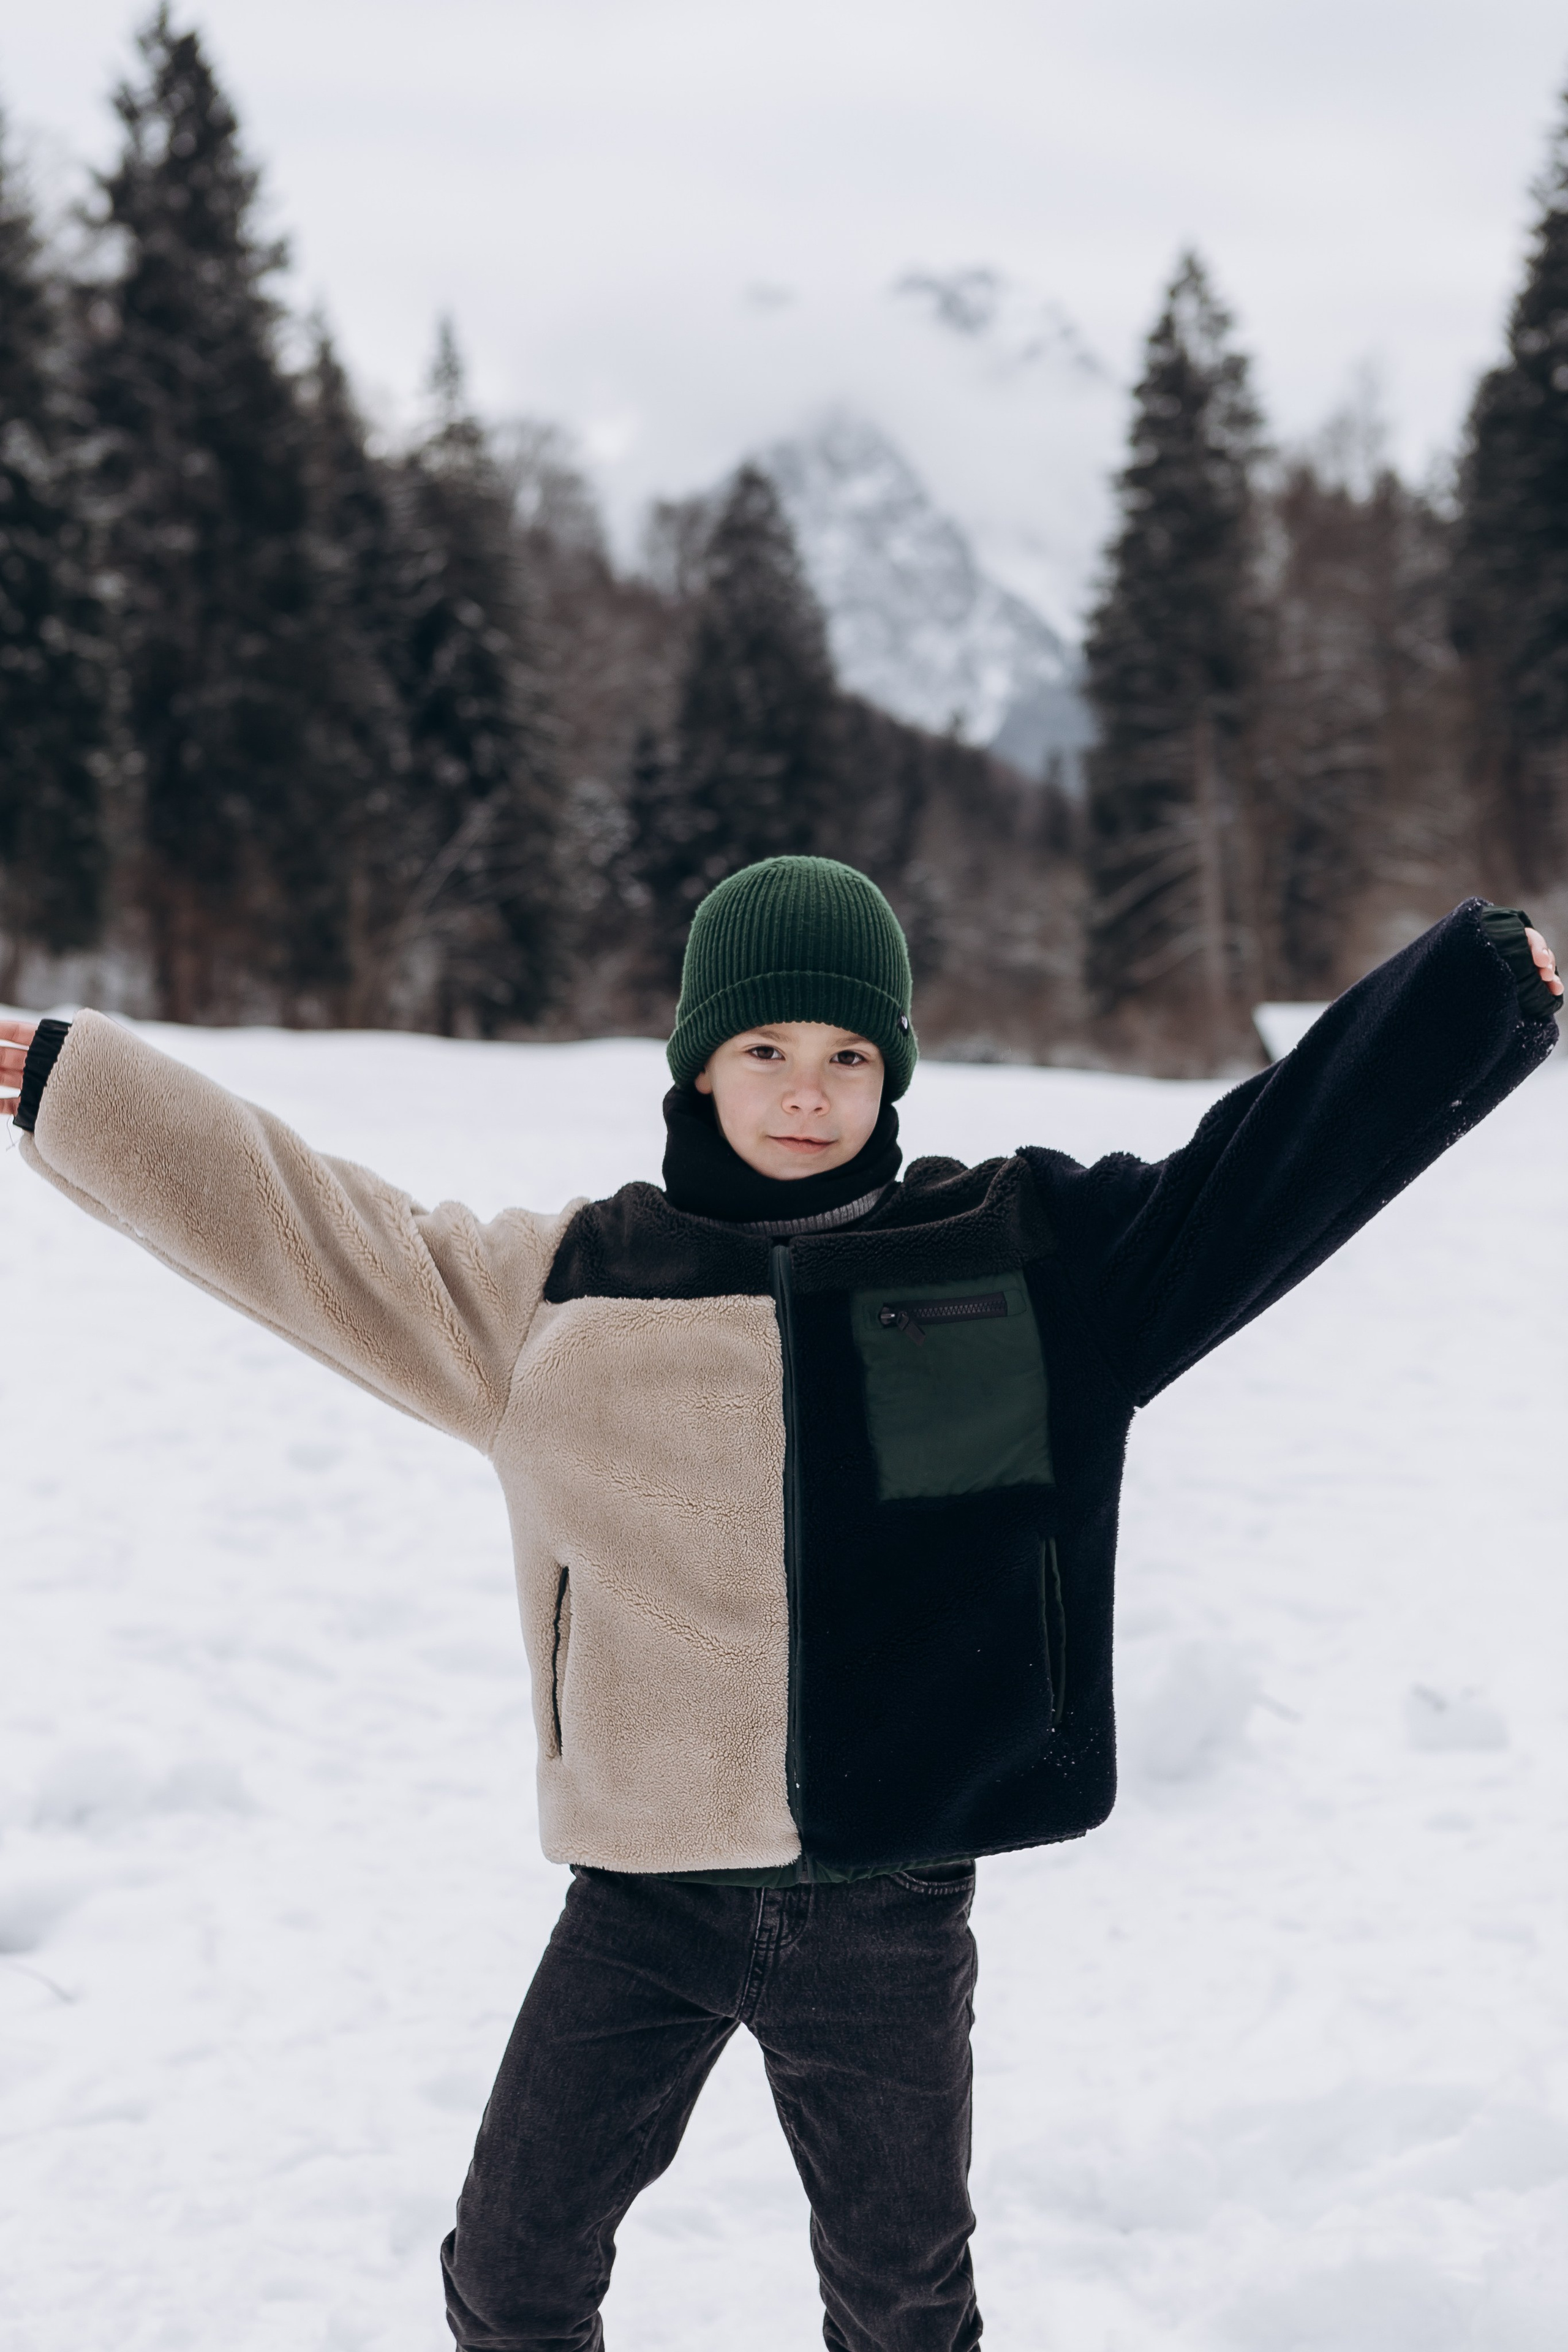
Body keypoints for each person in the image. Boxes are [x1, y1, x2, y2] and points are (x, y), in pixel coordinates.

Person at [2, 856, 1561, 2352]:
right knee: (509, 2276)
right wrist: (85, 1089)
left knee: (903, 2309)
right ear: (695, 1066)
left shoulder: (1021, 1263)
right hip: (645, 1901)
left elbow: (1255, 1177)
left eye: (845, 1054)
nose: (806, 1090)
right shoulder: (558, 1294)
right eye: (763, 1047)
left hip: (890, 1908)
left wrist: (1466, 999)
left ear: (892, 1074)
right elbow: (315, 1234)